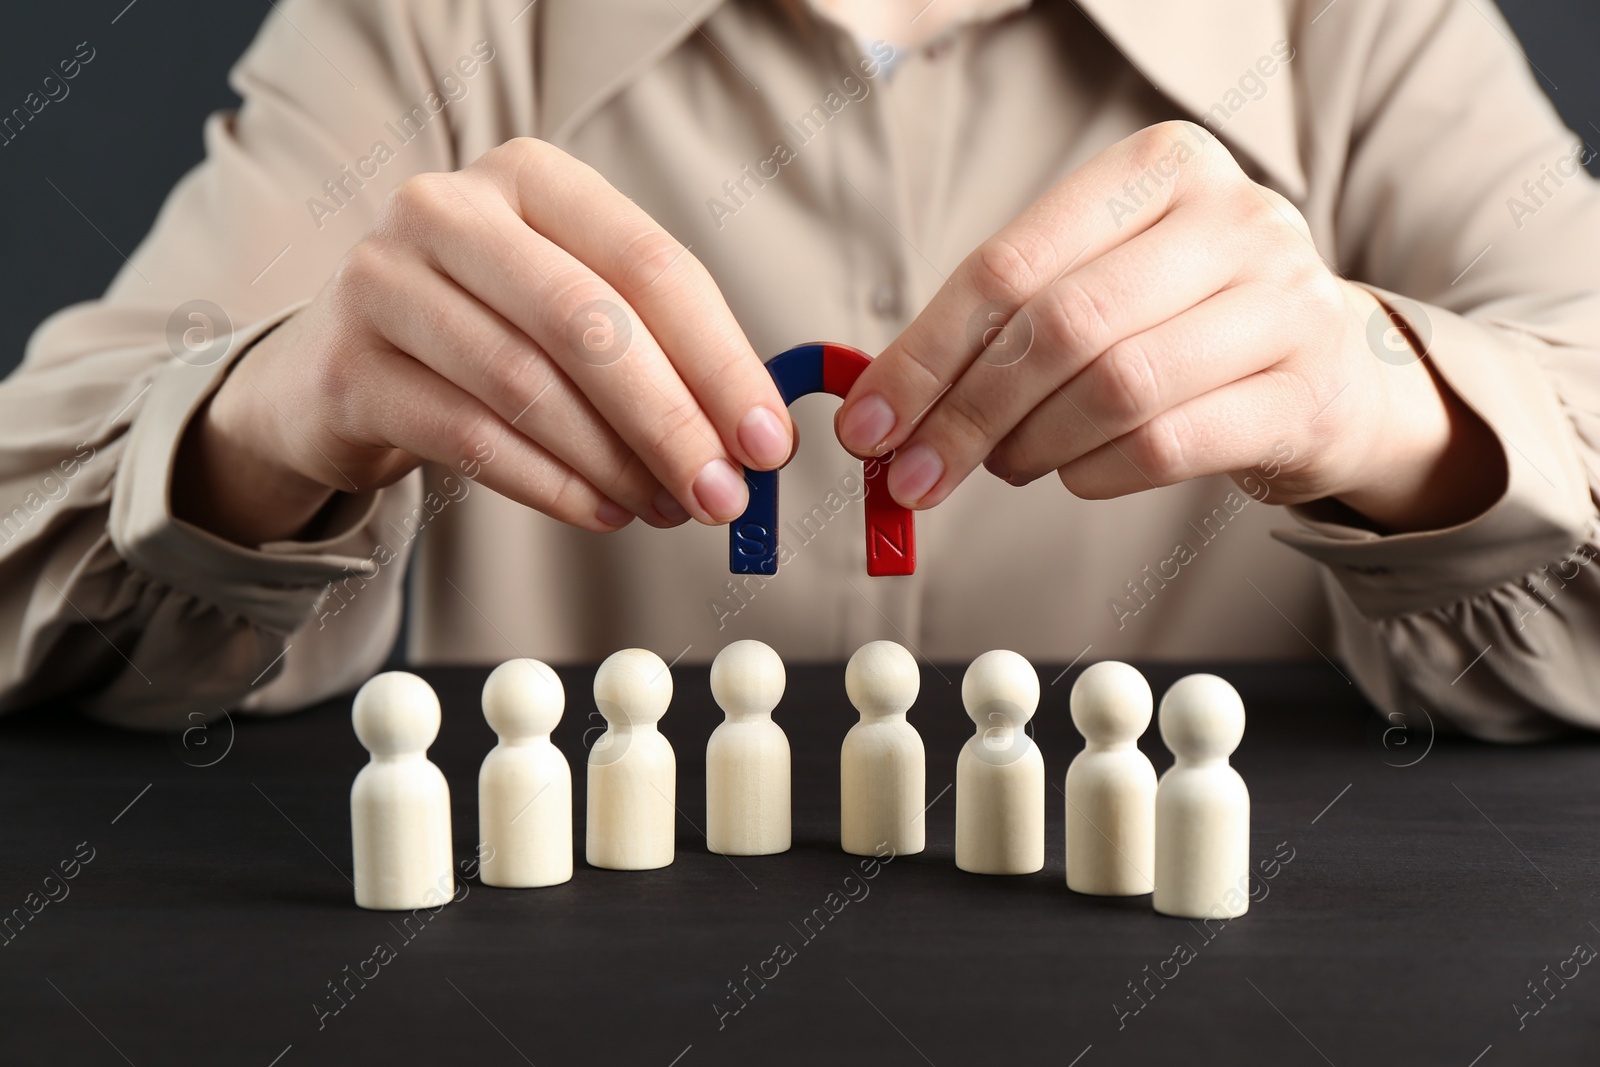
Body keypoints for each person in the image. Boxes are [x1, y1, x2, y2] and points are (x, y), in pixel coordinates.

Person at [0, 0, 1596, 741]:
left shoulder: (1362, 23)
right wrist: (259, 428)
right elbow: (32, 515)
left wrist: (1404, 408)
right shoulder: (439, 19)